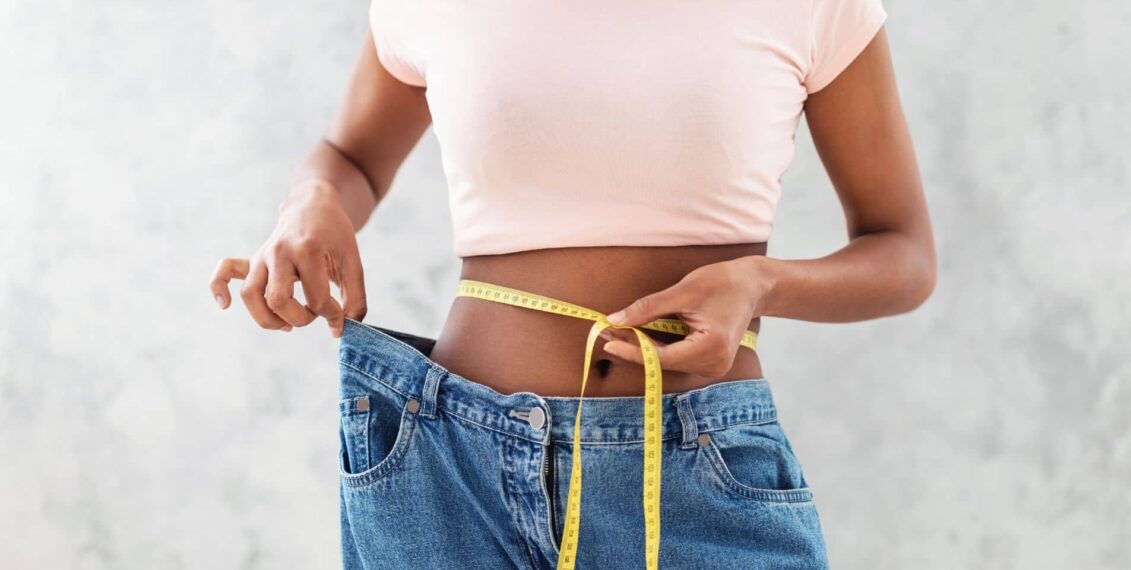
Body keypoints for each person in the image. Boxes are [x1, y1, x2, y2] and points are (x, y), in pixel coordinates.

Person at [209, 0, 935, 568]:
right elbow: (351, 156)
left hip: (697, 471)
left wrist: (762, 284)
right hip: (450, 472)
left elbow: (902, 251)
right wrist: (311, 202)